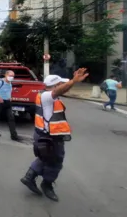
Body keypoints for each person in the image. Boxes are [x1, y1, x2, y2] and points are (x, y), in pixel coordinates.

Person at [20, 69, 89, 202]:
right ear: (55, 86)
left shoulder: (44, 95)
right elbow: (59, 91)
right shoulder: (47, 96)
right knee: (55, 162)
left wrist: (72, 81)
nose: (62, 87)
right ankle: (47, 184)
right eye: (60, 84)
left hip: (44, 135)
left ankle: (29, 177)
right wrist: (73, 81)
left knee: (45, 158)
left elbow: (60, 91)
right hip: (50, 137)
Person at [0, 70, 19, 141]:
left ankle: (14, 135)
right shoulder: (0, 82)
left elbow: (9, 91)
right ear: (6, 75)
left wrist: (10, 97)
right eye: (10, 76)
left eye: (13, 76)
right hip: (0, 102)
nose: (12, 77)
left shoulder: (10, 83)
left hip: (8, 102)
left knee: (11, 118)